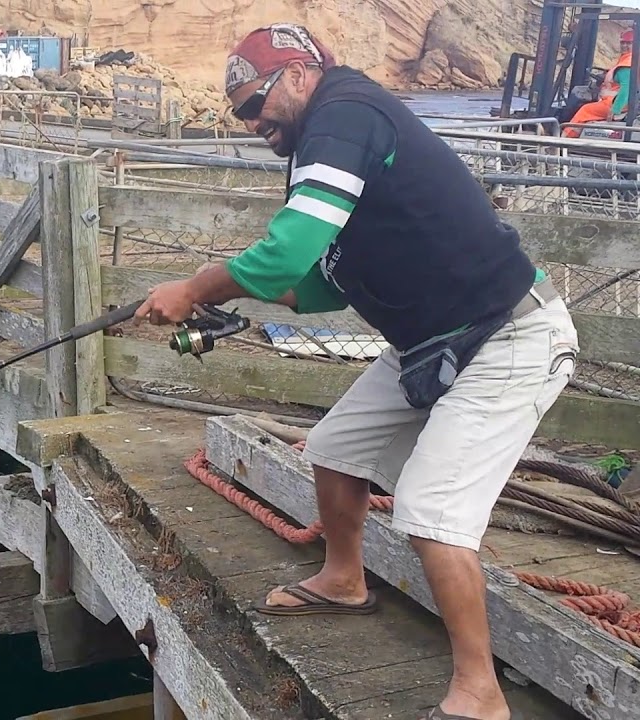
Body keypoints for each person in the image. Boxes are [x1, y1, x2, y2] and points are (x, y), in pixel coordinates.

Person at [135, 23, 579, 720]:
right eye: (241, 115)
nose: (252, 124)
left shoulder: (344, 115)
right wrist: (227, 288)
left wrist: (199, 287)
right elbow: (319, 285)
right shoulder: (333, 135)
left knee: (432, 510)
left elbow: (284, 255)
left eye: (256, 104)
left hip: (510, 335)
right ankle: (345, 579)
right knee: (337, 450)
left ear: (301, 74)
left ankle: (480, 694)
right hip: (430, 340)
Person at [564, 29, 632, 137]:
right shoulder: (628, 59)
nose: (624, 45)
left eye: (628, 43)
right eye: (622, 42)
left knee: (584, 110)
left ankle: (563, 140)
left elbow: (626, 88)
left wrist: (615, 109)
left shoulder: (628, 64)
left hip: (613, 104)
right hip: (612, 101)